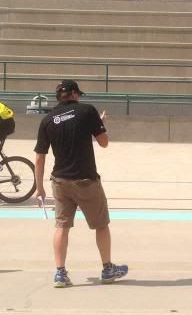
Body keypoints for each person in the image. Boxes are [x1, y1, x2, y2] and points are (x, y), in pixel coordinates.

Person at [34, 79, 128, 288]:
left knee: (61, 227)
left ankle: (60, 273)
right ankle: (107, 269)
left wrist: (39, 188)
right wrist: (99, 124)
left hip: (60, 182)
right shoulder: (87, 111)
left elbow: (39, 158)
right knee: (101, 225)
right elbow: (104, 142)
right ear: (75, 94)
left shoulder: (47, 120)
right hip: (86, 181)